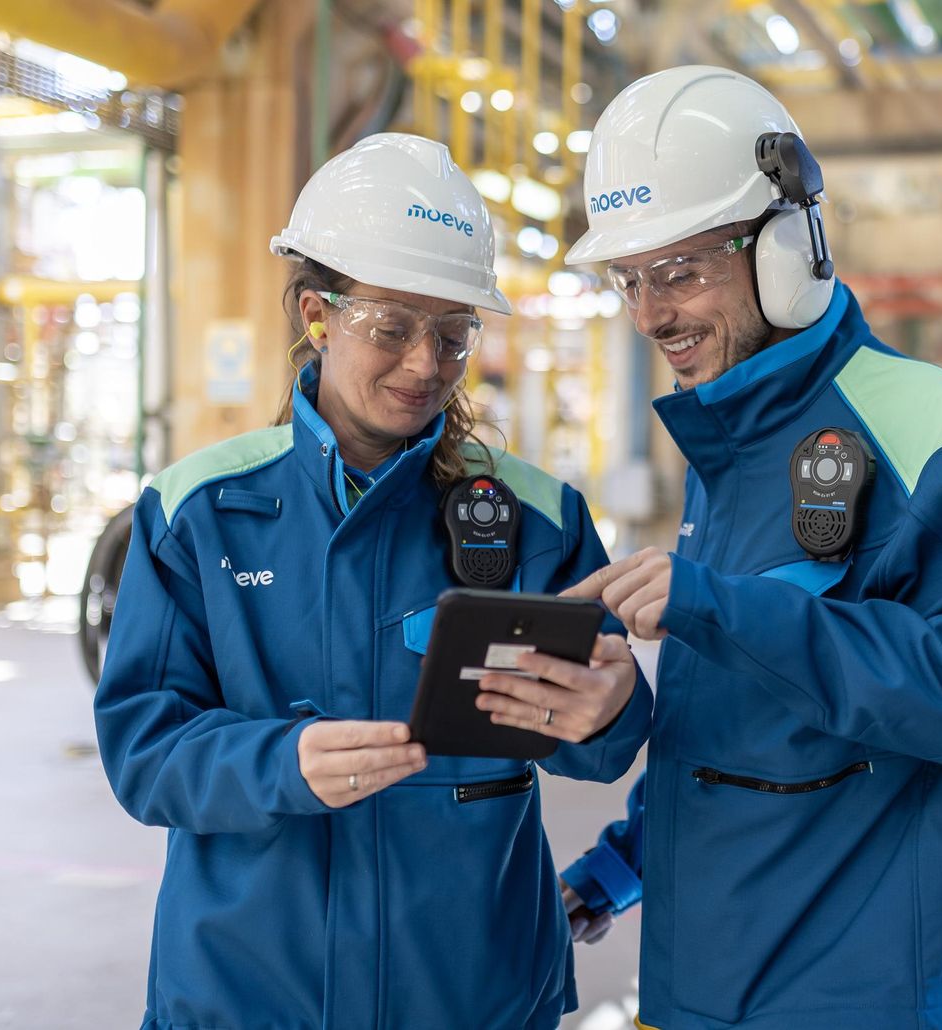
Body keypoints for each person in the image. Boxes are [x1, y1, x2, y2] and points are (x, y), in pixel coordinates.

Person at [93, 133, 652, 1030]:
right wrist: (278, 761)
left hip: (474, 993)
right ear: (317, 313)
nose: (425, 365)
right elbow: (144, 754)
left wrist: (614, 710)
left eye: (453, 336)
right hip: (251, 994)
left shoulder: (537, 519)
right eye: (392, 328)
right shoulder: (198, 512)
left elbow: (594, 749)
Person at [547, 66, 942, 1029]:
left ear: (789, 248)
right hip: (700, 999)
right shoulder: (728, 452)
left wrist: (722, 609)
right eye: (629, 281)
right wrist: (612, 872)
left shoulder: (925, 426)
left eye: (681, 270)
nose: (650, 316)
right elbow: (748, 732)